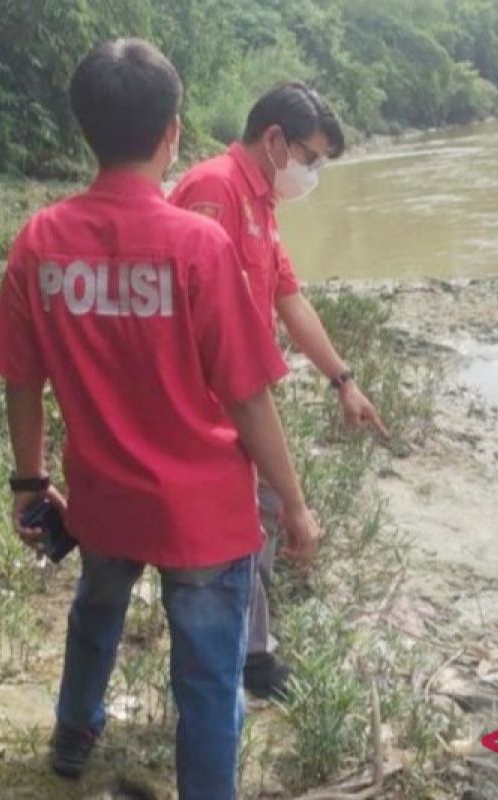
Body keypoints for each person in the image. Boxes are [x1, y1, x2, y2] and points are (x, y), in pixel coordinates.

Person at [0, 39, 321, 799]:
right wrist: (294, 504)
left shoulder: (41, 240)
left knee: (95, 616)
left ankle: (73, 733)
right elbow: (247, 395)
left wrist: (28, 482)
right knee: (206, 683)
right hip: (203, 516)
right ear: (173, 129)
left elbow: (20, 380)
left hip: (104, 501)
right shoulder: (197, 243)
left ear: (85, 130)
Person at [169, 82, 387, 700]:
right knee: (250, 521)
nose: (312, 172)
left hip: (244, 395)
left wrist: (344, 380)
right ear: (273, 140)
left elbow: (288, 299)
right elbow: (192, 320)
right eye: (310, 157)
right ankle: (244, 658)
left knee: (260, 517)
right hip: (215, 405)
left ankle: (251, 649)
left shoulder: (261, 199)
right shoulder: (215, 191)